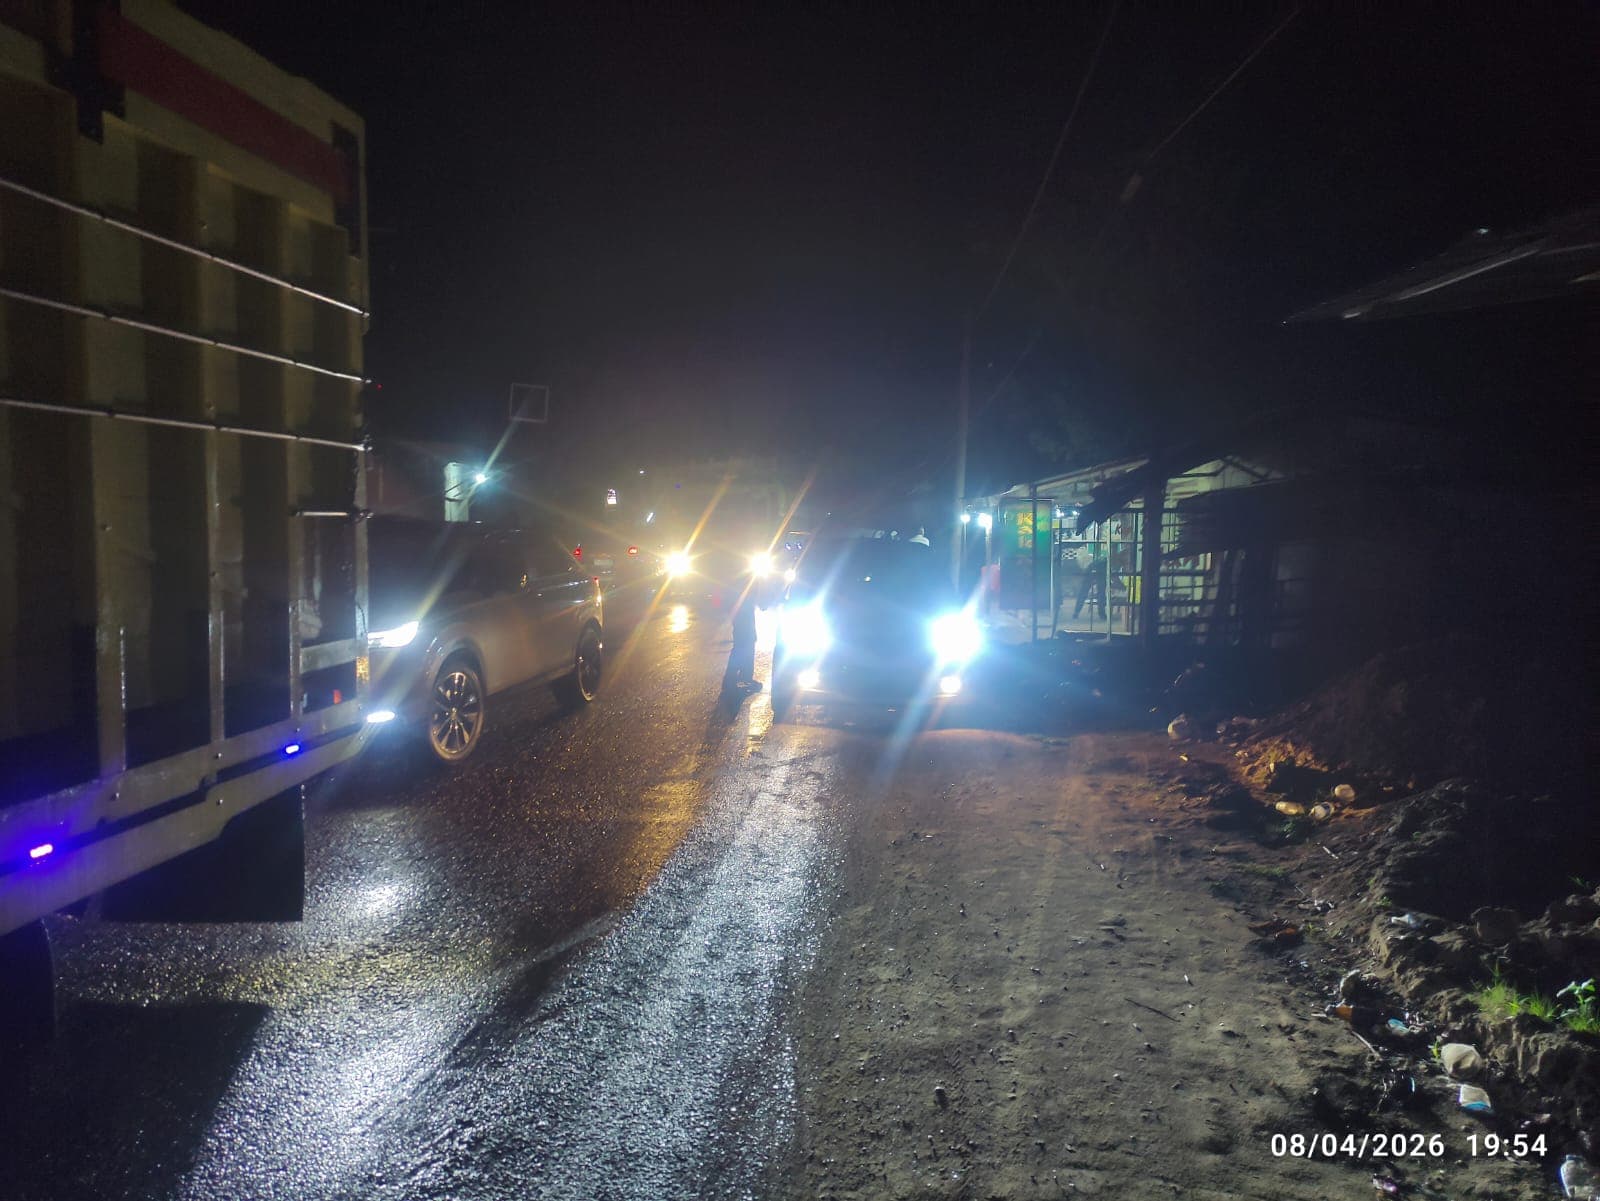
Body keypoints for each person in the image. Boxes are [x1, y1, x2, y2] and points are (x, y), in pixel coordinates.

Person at [722, 581, 760, 694]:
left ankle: (742, 678)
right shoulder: (744, 580)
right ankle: (735, 680)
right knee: (743, 647)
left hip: (741, 612)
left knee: (745, 645)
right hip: (742, 613)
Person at [1071, 543, 1105, 620]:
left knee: (1085, 592)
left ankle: (1076, 613)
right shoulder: (1111, 560)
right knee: (1100, 593)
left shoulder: (1109, 560)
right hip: (1095, 570)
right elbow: (1115, 578)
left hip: (1093, 570)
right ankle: (1102, 614)